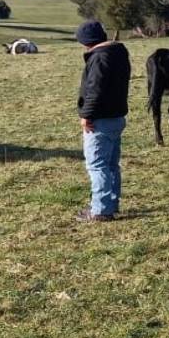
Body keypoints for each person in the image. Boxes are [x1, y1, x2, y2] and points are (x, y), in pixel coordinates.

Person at [74, 20, 131, 222]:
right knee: (111, 165)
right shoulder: (118, 53)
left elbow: (95, 91)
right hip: (117, 116)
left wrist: (86, 115)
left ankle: (100, 210)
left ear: (87, 41)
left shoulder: (99, 58)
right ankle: (111, 203)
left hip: (101, 120)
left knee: (97, 166)